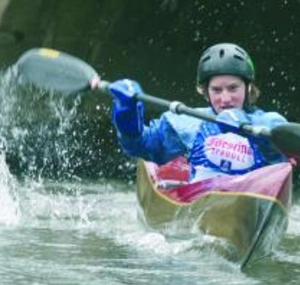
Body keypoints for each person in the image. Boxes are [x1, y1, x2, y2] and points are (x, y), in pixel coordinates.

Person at [107, 43, 289, 182]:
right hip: (201, 202)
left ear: (248, 88)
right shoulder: (189, 122)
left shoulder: (270, 124)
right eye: (217, 90)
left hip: (253, 201)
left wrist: (244, 126)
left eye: (233, 88)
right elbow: (143, 147)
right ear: (206, 92)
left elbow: (282, 156)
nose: (225, 99)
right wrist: (127, 116)